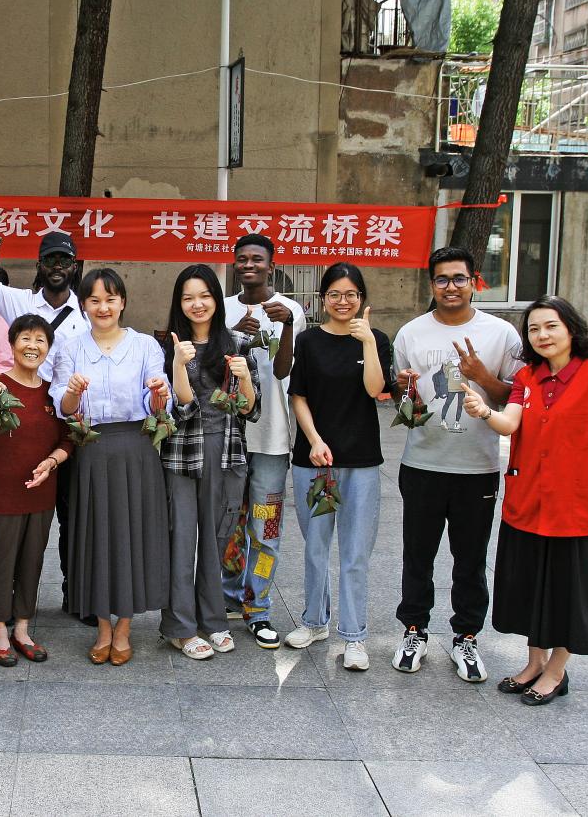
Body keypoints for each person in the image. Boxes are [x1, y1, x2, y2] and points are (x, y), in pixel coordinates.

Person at [462, 295, 588, 707]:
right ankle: (534, 662)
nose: (542, 335)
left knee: (566, 590)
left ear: (571, 328)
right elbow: (510, 424)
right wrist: (484, 411)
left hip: (574, 509)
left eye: (551, 326)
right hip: (528, 500)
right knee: (528, 583)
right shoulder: (528, 377)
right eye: (534, 329)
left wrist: (578, 477)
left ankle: (556, 671)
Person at [390, 247, 523, 682]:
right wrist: (402, 389)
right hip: (422, 464)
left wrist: (482, 377)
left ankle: (466, 636)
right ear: (432, 284)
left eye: (459, 278)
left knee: (470, 559)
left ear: (474, 281)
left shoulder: (501, 334)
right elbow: (403, 399)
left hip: (477, 467)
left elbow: (514, 398)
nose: (451, 287)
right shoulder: (411, 333)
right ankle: (414, 630)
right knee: (418, 555)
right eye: (442, 279)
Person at [0, 196, 91, 620]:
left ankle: (75, 593)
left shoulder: (87, 314)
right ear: (39, 264)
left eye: (64, 260)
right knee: (15, 518)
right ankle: (8, 609)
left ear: (74, 266)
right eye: (50, 259)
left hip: (65, 424)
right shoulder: (18, 301)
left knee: (72, 516)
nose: (57, 266)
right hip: (21, 422)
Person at [51, 268, 172, 665]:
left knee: (133, 535)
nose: (103, 307)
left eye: (110, 299)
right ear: (83, 305)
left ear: (123, 302)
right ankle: (103, 626)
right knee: (96, 536)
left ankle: (125, 627)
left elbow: (158, 403)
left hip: (136, 448)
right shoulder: (70, 347)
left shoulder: (144, 346)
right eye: (94, 300)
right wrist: (72, 394)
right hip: (91, 449)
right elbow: (64, 407)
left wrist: (159, 394)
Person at [286, 262, 392, 671]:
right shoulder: (309, 341)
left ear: (362, 298)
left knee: (354, 553)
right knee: (315, 547)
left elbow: (376, 390)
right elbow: (299, 396)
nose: (343, 301)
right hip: (314, 461)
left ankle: (354, 635)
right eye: (335, 294)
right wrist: (314, 440)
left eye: (351, 294)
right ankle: (314, 621)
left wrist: (367, 343)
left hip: (360, 461)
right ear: (322, 299)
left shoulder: (375, 339)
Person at [0, 314, 73, 666]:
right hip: (2, 491)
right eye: (25, 338)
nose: (32, 346)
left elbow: (68, 440)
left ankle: (22, 629)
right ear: (12, 344)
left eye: (40, 340)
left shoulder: (52, 392)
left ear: (48, 348)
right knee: (3, 560)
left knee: (33, 560)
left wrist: (51, 462)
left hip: (41, 492)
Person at [160, 265, 260, 661]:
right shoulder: (168, 346)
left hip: (227, 451)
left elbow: (250, 409)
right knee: (182, 540)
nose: (197, 304)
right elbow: (178, 410)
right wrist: (178, 365)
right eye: (188, 297)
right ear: (179, 303)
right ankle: (180, 627)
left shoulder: (237, 343)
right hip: (182, 453)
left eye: (204, 295)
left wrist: (244, 378)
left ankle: (213, 620)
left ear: (216, 299)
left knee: (218, 539)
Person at [221, 233, 305, 650]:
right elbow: (211, 366)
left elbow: (284, 370)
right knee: (229, 524)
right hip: (229, 437)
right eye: (242, 259)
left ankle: (259, 608)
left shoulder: (291, 310)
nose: (248, 264)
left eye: (257, 259)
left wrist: (285, 326)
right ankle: (227, 597)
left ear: (272, 266)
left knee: (266, 527)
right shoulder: (223, 308)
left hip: (272, 439)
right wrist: (234, 334)